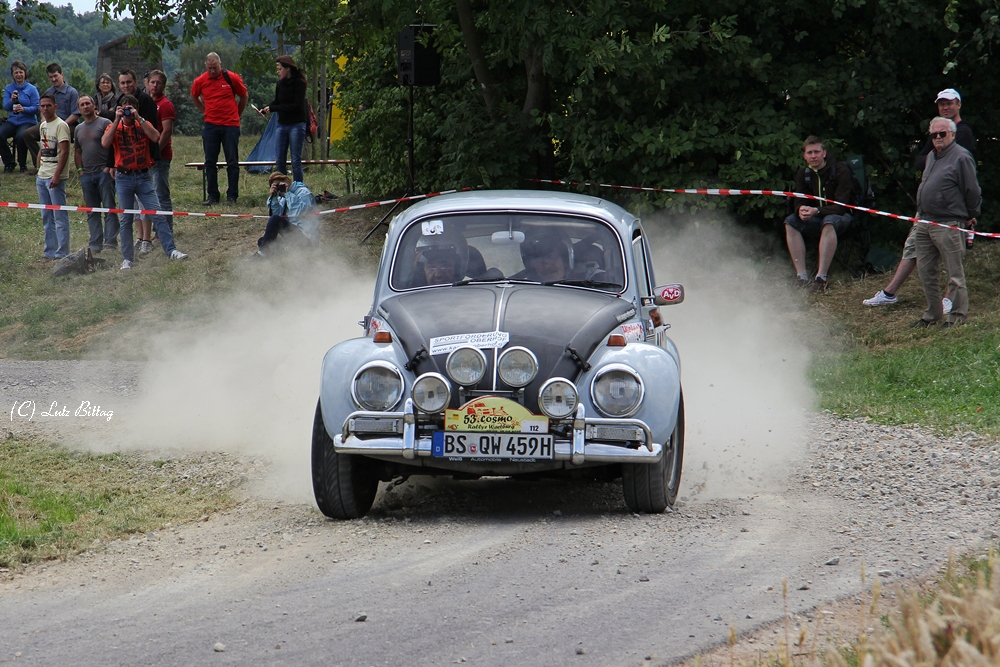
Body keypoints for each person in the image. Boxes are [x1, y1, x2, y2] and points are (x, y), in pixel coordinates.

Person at [864, 88, 976, 310]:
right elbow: (920, 161)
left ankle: (949, 300)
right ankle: (890, 293)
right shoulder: (936, 132)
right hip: (926, 212)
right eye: (941, 104)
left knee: (951, 256)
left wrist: (971, 213)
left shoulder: (962, 133)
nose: (945, 107)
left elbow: (965, 177)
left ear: (958, 105)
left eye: (949, 103)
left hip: (950, 212)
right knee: (913, 247)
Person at [101, 94, 188, 270]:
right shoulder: (114, 126)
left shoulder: (143, 124)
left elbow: (156, 137)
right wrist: (117, 119)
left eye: (130, 108)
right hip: (124, 177)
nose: (127, 111)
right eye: (124, 107)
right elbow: (105, 143)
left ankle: (171, 250)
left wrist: (138, 118)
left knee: (157, 214)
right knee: (126, 219)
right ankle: (127, 259)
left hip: (143, 176)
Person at [910, 117, 979, 328]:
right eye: (934, 135)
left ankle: (957, 316)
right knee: (925, 270)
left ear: (953, 134)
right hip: (925, 220)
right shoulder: (931, 156)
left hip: (949, 222)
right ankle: (932, 314)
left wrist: (970, 214)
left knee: (954, 273)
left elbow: (972, 190)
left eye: (943, 134)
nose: (938, 138)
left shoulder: (961, 157)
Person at [783, 136, 855, 292]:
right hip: (815, 218)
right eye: (809, 152)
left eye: (816, 152)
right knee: (790, 221)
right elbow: (799, 199)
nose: (813, 156)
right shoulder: (803, 173)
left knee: (829, 221)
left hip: (842, 217)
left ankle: (821, 278)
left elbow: (842, 206)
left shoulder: (841, 171)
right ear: (804, 156)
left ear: (824, 153)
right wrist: (801, 210)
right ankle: (801, 276)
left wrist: (818, 210)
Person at [190, 52, 248, 205]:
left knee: (232, 161)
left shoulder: (231, 78)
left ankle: (232, 196)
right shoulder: (200, 81)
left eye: (215, 68)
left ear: (220, 65)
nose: (212, 71)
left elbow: (244, 95)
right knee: (210, 161)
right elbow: (194, 96)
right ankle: (213, 195)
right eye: (209, 68)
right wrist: (204, 110)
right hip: (211, 125)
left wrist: (237, 114)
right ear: (206, 66)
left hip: (230, 125)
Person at [74, 94, 118, 253]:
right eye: (82, 105)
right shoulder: (78, 128)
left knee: (109, 208)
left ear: (94, 106)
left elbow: (114, 145)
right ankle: (95, 243)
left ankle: (111, 242)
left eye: (88, 103)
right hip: (87, 175)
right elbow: (77, 151)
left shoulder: (105, 123)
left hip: (104, 173)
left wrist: (109, 166)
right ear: (79, 109)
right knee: (92, 211)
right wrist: (80, 171)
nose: (85, 106)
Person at [259, 55, 308, 182]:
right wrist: (267, 107)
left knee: (295, 159)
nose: (278, 71)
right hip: (282, 124)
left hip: (296, 124)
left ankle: (298, 187)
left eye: (280, 69)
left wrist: (275, 108)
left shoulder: (299, 83)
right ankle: (282, 185)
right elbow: (277, 101)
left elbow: (296, 105)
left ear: (288, 69)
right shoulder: (280, 84)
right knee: (280, 158)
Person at [23, 63, 80, 169]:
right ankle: (39, 164)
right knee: (27, 134)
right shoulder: (49, 92)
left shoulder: (72, 92)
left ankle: (60, 164)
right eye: (51, 77)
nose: (53, 79)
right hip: (50, 124)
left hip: (69, 125)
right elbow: (42, 109)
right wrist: (44, 121)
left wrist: (60, 125)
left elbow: (75, 114)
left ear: (62, 75)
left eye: (55, 76)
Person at [36, 93, 71, 259]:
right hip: (42, 174)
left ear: (55, 107)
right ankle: (50, 250)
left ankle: (62, 251)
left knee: (59, 215)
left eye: (48, 105)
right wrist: (39, 164)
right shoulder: (43, 125)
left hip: (54, 176)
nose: (45, 108)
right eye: (42, 106)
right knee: (46, 216)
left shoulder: (61, 125)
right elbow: (43, 146)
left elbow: (64, 151)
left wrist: (57, 175)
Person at [254, 172, 316, 257]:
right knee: (263, 241)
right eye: (277, 186)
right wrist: (274, 197)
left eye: (281, 183)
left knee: (267, 241)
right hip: (292, 238)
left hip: (307, 239)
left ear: (287, 180)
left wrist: (288, 193)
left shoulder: (304, 192)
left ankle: (262, 255)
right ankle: (283, 257)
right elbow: (275, 218)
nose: (280, 187)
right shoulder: (283, 197)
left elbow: (298, 212)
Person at [145, 69, 174, 229]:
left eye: (159, 83)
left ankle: (166, 228)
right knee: (149, 195)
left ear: (163, 85)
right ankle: (154, 229)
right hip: (145, 157)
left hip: (161, 156)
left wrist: (155, 152)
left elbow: (167, 131)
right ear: (148, 84)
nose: (155, 85)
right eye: (152, 82)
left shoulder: (165, 105)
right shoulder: (146, 103)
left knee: (161, 193)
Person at [0, 60, 39, 173]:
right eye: (16, 72)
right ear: (12, 74)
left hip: (28, 120)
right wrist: (11, 100)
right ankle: (9, 162)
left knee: (21, 136)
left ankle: (22, 164)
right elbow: (6, 107)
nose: (19, 75)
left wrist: (24, 109)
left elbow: (36, 107)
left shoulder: (32, 89)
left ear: (25, 74)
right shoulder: (8, 88)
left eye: (21, 72)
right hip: (13, 120)